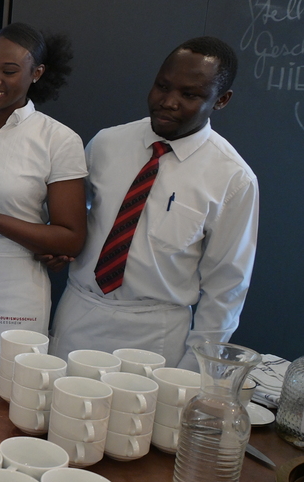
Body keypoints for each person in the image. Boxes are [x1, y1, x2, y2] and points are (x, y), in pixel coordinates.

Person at [51, 36, 258, 372]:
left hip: (155, 334)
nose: (169, 102)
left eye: (189, 95)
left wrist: (195, 370)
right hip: (80, 312)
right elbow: (71, 218)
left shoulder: (233, 179)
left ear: (221, 101)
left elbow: (227, 289)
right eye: (163, 86)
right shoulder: (107, 144)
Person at [0, 23, 87, 376]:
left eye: (9, 71)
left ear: (37, 73)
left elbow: (71, 237)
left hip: (16, 285)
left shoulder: (57, 139)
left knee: (10, 388)